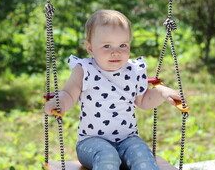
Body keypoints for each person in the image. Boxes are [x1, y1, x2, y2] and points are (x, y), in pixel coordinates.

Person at [44, 10, 181, 170]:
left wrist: (162, 92)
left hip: (128, 139)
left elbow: (143, 101)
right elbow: (69, 94)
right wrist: (59, 102)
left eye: (123, 45)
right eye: (107, 46)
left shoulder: (133, 70)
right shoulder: (85, 70)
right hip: (91, 143)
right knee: (107, 156)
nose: (116, 52)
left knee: (143, 156)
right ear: (90, 48)